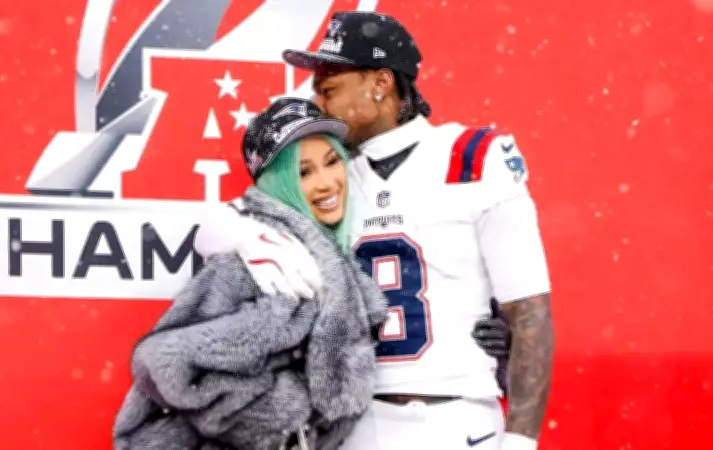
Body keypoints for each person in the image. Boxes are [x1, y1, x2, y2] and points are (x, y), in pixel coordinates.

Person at [196, 11, 552, 450]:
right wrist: (247, 237)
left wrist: (520, 440)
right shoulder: (333, 173)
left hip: (456, 420)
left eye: (328, 89)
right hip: (354, 426)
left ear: (380, 83)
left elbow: (530, 310)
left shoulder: (472, 158)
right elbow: (220, 224)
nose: (318, 102)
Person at [114, 98, 389, 450]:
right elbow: (169, 362)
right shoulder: (269, 262)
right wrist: (287, 411)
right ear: (278, 182)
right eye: (303, 173)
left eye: (332, 161)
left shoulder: (323, 250)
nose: (327, 182)